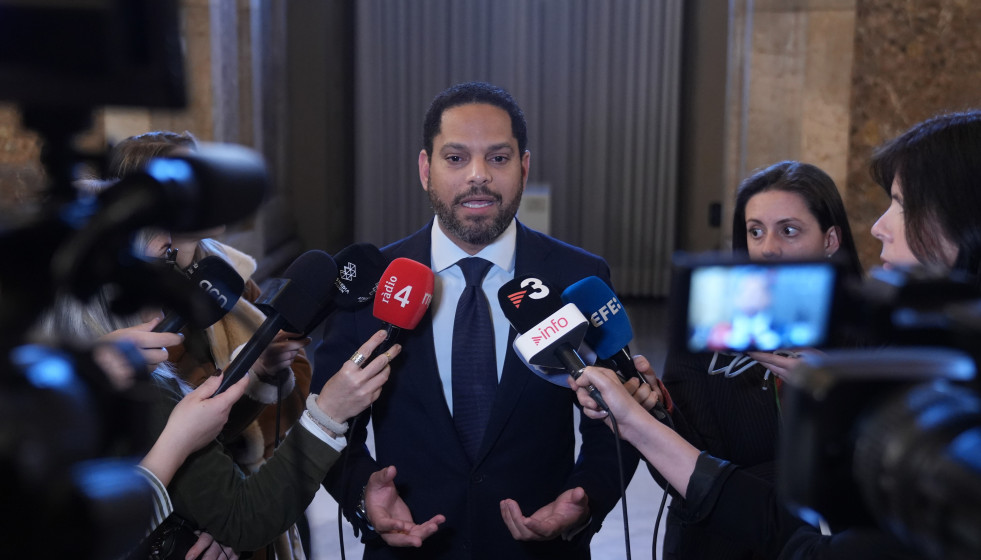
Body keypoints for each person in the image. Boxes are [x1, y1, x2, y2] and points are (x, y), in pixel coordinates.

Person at [313, 81, 638, 559]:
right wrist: (363, 494)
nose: (479, 176)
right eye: (456, 158)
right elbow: (325, 421)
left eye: (499, 158)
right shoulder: (373, 284)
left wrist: (585, 499)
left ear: (524, 168)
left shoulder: (578, 276)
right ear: (425, 169)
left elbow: (620, 419)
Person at [659, 161, 863, 560]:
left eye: (789, 230)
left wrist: (835, 394)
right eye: (756, 231)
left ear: (830, 239)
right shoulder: (711, 330)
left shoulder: (868, 337)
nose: (768, 248)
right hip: (717, 548)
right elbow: (685, 468)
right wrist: (652, 413)